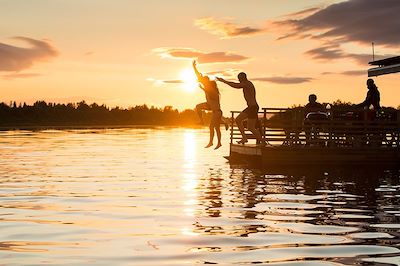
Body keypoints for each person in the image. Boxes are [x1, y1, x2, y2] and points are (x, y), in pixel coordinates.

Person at [216, 72, 262, 144]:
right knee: (246, 125)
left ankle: (260, 141)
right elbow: (236, 85)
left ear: (241, 78)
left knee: (247, 125)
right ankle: (246, 138)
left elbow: (235, 85)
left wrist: (224, 81)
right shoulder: (247, 84)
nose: (238, 80)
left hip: (253, 107)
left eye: (239, 79)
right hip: (251, 107)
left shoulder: (247, 83)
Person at [192, 60, 223, 149]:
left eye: (204, 82)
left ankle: (212, 142)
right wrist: (194, 67)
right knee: (198, 107)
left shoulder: (213, 91)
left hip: (216, 112)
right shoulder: (208, 87)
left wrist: (202, 88)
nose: (203, 83)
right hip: (212, 109)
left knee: (213, 127)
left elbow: (210, 93)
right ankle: (201, 121)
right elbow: (198, 76)